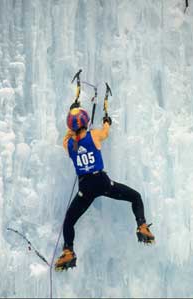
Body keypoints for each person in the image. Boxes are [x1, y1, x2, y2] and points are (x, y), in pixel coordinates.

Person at [55, 106, 155, 271]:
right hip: (102, 182)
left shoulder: (69, 143)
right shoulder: (93, 135)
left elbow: (69, 134)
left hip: (85, 188)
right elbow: (105, 133)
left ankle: (68, 251)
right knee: (135, 197)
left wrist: (71, 122)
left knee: (69, 220)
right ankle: (142, 226)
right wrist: (107, 122)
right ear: (86, 122)